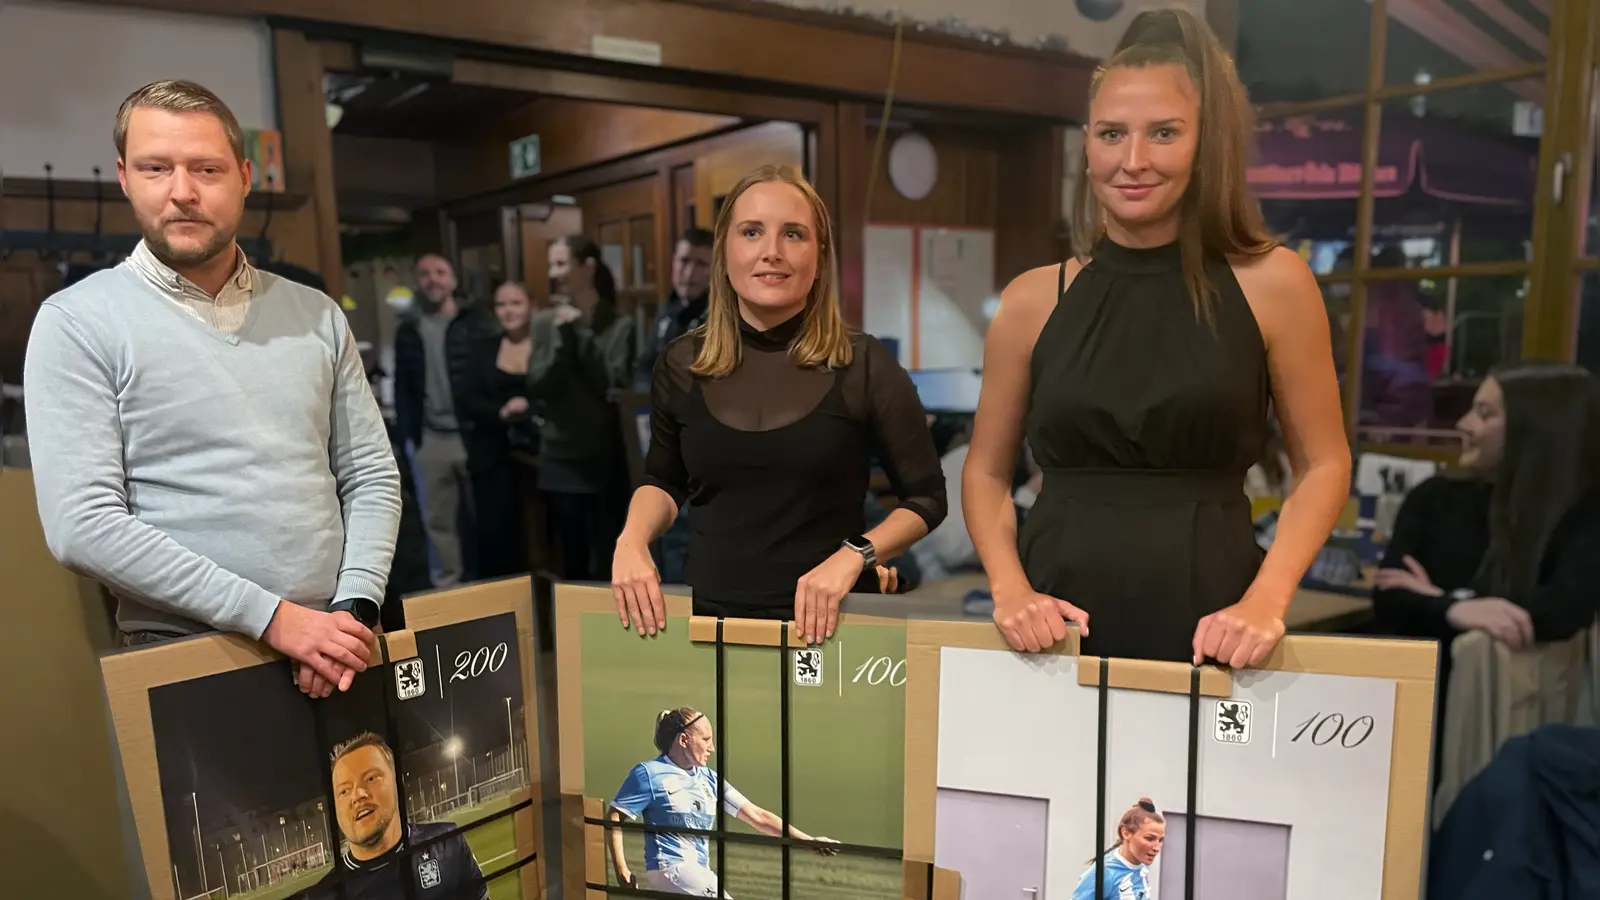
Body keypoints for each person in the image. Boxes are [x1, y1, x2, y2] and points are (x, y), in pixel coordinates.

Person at [961, 8, 1350, 666]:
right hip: (1052, 629)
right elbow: (986, 471)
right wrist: (1008, 588)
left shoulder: (1274, 284)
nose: (1133, 160)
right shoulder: (1031, 300)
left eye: (1164, 133)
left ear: (1206, 144)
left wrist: (1267, 600)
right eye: (1112, 134)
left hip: (1213, 627)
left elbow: (1324, 464)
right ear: (1087, 142)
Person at [23, 79, 399, 698]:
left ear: (245, 176)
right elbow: (83, 526)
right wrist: (277, 620)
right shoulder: (77, 322)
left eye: (207, 168)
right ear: (124, 176)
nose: (183, 191)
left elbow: (369, 473)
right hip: (186, 655)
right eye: (155, 168)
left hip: (337, 644)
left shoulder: (316, 313)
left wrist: (354, 606)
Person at [609, 165, 946, 643]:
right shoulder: (683, 362)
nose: (772, 251)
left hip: (829, 628)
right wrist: (632, 539)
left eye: (793, 234)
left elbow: (927, 499)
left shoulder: (864, 365)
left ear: (819, 255)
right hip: (708, 621)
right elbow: (663, 481)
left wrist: (856, 556)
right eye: (752, 232)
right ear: (726, 252)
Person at [607, 708, 836, 896]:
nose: (712, 748)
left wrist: (808, 840)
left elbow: (758, 816)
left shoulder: (709, 778)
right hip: (671, 870)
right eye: (706, 739)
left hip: (699, 872)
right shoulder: (649, 773)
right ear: (684, 739)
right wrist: (622, 870)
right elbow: (615, 815)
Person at [528, 235, 635, 582]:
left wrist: (579, 335)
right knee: (569, 558)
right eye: (552, 264)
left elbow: (611, 383)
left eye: (561, 264)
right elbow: (537, 384)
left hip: (603, 456)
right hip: (559, 454)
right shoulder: (545, 322)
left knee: (607, 555)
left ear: (587, 267)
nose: (553, 273)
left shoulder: (620, 324)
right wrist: (563, 346)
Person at [394, 253, 498, 588]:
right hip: (430, 440)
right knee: (438, 525)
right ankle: (449, 594)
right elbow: (402, 390)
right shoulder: (408, 331)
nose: (432, 279)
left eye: (440, 272)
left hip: (473, 437)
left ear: (453, 280)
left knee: (485, 520)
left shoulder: (476, 323)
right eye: (424, 273)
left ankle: (490, 590)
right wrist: (409, 440)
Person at [300, 733, 488, 900]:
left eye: (371, 778)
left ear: (396, 782)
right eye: (344, 791)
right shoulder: (323, 895)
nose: (358, 795)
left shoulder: (447, 844)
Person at [458, 281, 535, 579]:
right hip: (492, 457)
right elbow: (467, 398)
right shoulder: (484, 348)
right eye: (502, 304)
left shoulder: (545, 348)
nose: (508, 311)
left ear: (531, 306)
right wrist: (502, 412)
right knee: (495, 538)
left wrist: (528, 406)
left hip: (537, 460)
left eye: (516, 303)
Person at [637, 227, 715, 389]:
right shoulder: (667, 311)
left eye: (701, 264)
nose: (689, 272)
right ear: (673, 262)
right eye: (684, 261)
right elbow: (645, 366)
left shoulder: (719, 318)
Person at [1073, 799, 1164, 900]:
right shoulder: (1105, 873)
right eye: (1149, 838)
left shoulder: (1141, 866)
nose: (1157, 848)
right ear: (1126, 833)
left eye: (1160, 840)